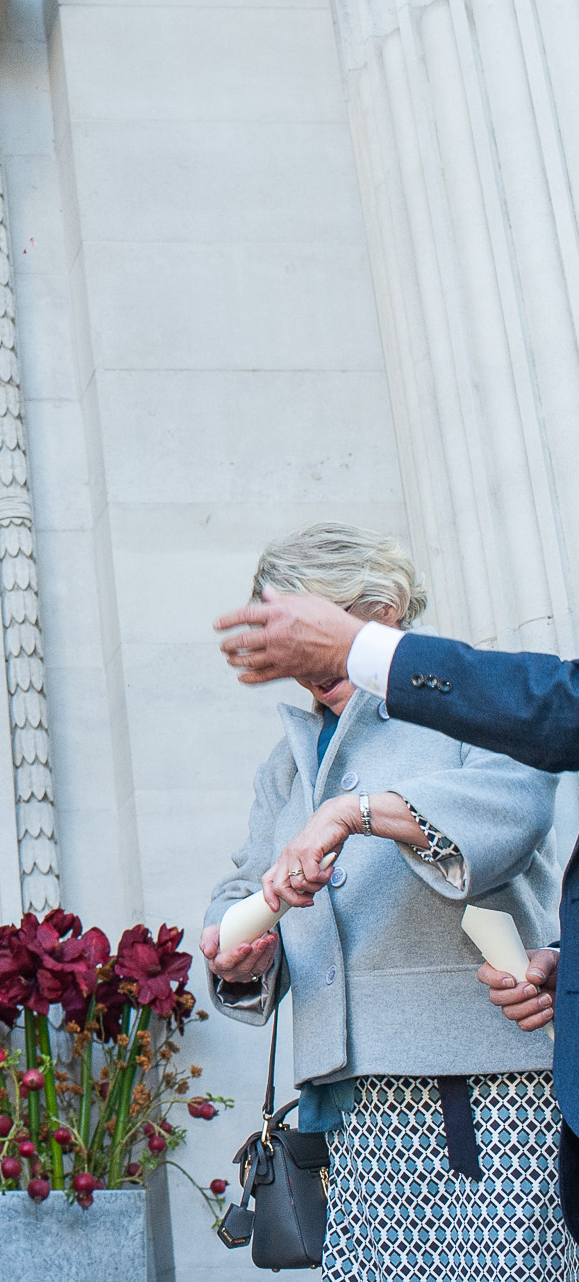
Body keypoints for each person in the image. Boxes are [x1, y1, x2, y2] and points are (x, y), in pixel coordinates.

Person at [201, 523, 570, 1278]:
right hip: (346, 1102)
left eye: (305, 640)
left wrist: (360, 810)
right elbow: (244, 880)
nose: (299, 669)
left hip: (479, 1087)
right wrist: (237, 952)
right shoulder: (289, 755)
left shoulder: (468, 705)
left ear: (378, 613)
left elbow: (509, 811)